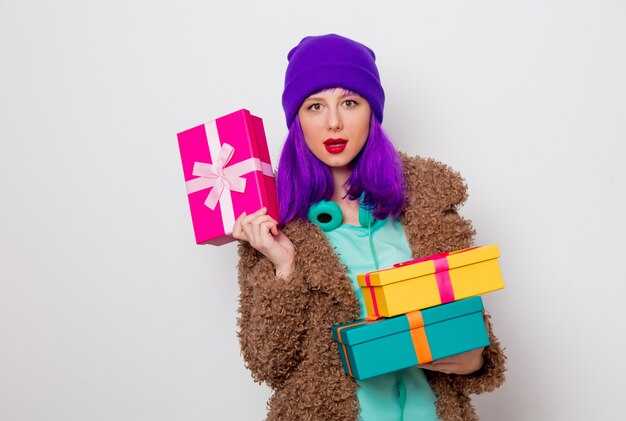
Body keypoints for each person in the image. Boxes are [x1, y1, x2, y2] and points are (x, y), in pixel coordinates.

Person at [233, 34, 506, 421]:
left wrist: (475, 358)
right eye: (315, 106)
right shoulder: (270, 220)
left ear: (371, 111)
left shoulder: (426, 201)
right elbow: (267, 363)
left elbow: (466, 320)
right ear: (298, 120)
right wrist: (285, 268)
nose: (333, 122)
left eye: (349, 102)